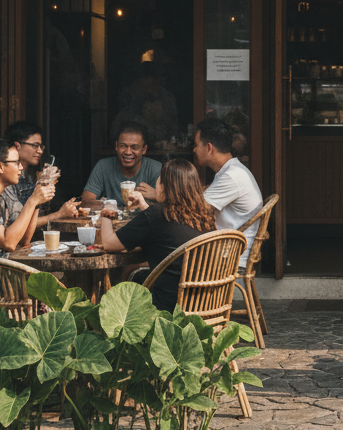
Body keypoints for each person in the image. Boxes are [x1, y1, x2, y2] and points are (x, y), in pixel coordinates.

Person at [99, 158, 216, 311]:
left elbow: (108, 244)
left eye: (159, 180)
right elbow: (167, 226)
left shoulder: (156, 215)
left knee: (132, 278)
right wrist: (144, 206)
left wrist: (106, 212)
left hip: (168, 307)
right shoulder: (205, 216)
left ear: (164, 186)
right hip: (205, 304)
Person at [0, 137, 80, 263]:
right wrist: (32, 200)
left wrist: (37, 201)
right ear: (0, 167)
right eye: (16, 163)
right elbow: (8, 244)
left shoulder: (5, 193)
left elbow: (24, 239)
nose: (21, 168)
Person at [192, 116, 262, 267]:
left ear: (209, 148)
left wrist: (160, 196)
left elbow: (193, 210)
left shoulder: (231, 176)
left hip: (229, 256)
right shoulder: (231, 171)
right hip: (225, 249)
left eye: (196, 145)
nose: (194, 150)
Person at [4, 119, 82, 226]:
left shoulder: (33, 175)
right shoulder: (7, 179)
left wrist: (46, 186)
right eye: (35, 145)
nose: (40, 151)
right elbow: (18, 224)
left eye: (41, 146)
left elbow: (40, 213)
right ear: (17, 146)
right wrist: (59, 214)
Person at [81, 122, 161, 207]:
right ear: (116, 146)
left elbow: (173, 206)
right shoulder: (103, 166)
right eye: (123, 146)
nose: (128, 152)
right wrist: (108, 206)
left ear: (144, 149)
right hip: (111, 219)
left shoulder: (155, 168)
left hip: (144, 220)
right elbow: (86, 201)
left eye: (135, 147)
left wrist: (158, 196)